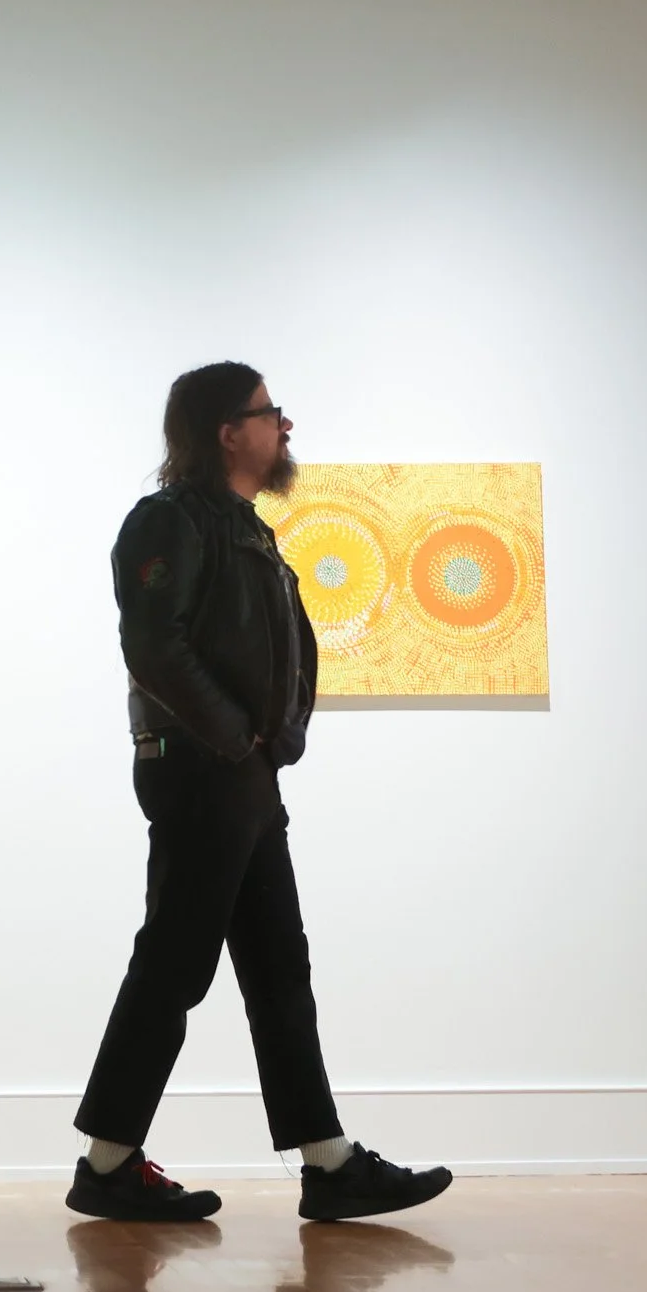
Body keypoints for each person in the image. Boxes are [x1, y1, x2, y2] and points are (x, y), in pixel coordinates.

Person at [66, 362, 454, 1225]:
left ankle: (328, 1162)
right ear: (226, 431)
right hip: (202, 770)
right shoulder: (168, 521)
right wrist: (235, 735)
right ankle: (108, 1164)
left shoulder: (243, 528)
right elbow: (154, 646)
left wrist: (271, 739)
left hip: (241, 775)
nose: (285, 425)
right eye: (269, 411)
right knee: (176, 964)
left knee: (279, 967)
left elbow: (273, 652)